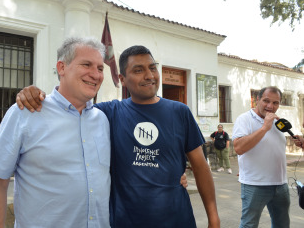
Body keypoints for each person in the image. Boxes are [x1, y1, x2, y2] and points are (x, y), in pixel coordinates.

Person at [17, 45, 220, 227]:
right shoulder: (108, 113)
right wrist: (35, 93)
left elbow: (201, 167)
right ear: (122, 80)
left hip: (177, 219)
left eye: (152, 67)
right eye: (138, 70)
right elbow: (72, 106)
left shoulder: (180, 112)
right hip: (124, 221)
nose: (149, 75)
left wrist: (213, 218)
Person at [0, 37, 112, 228]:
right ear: (62, 67)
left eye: (100, 68)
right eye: (86, 65)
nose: (95, 74)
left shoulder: (103, 119)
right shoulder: (26, 113)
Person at [232, 86, 290, 228]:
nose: (270, 106)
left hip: (280, 184)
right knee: (249, 225)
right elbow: (239, 148)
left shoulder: (278, 122)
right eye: (266, 101)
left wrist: (298, 139)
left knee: (282, 224)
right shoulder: (244, 119)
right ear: (257, 100)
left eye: (275, 103)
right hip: (255, 184)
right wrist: (264, 127)